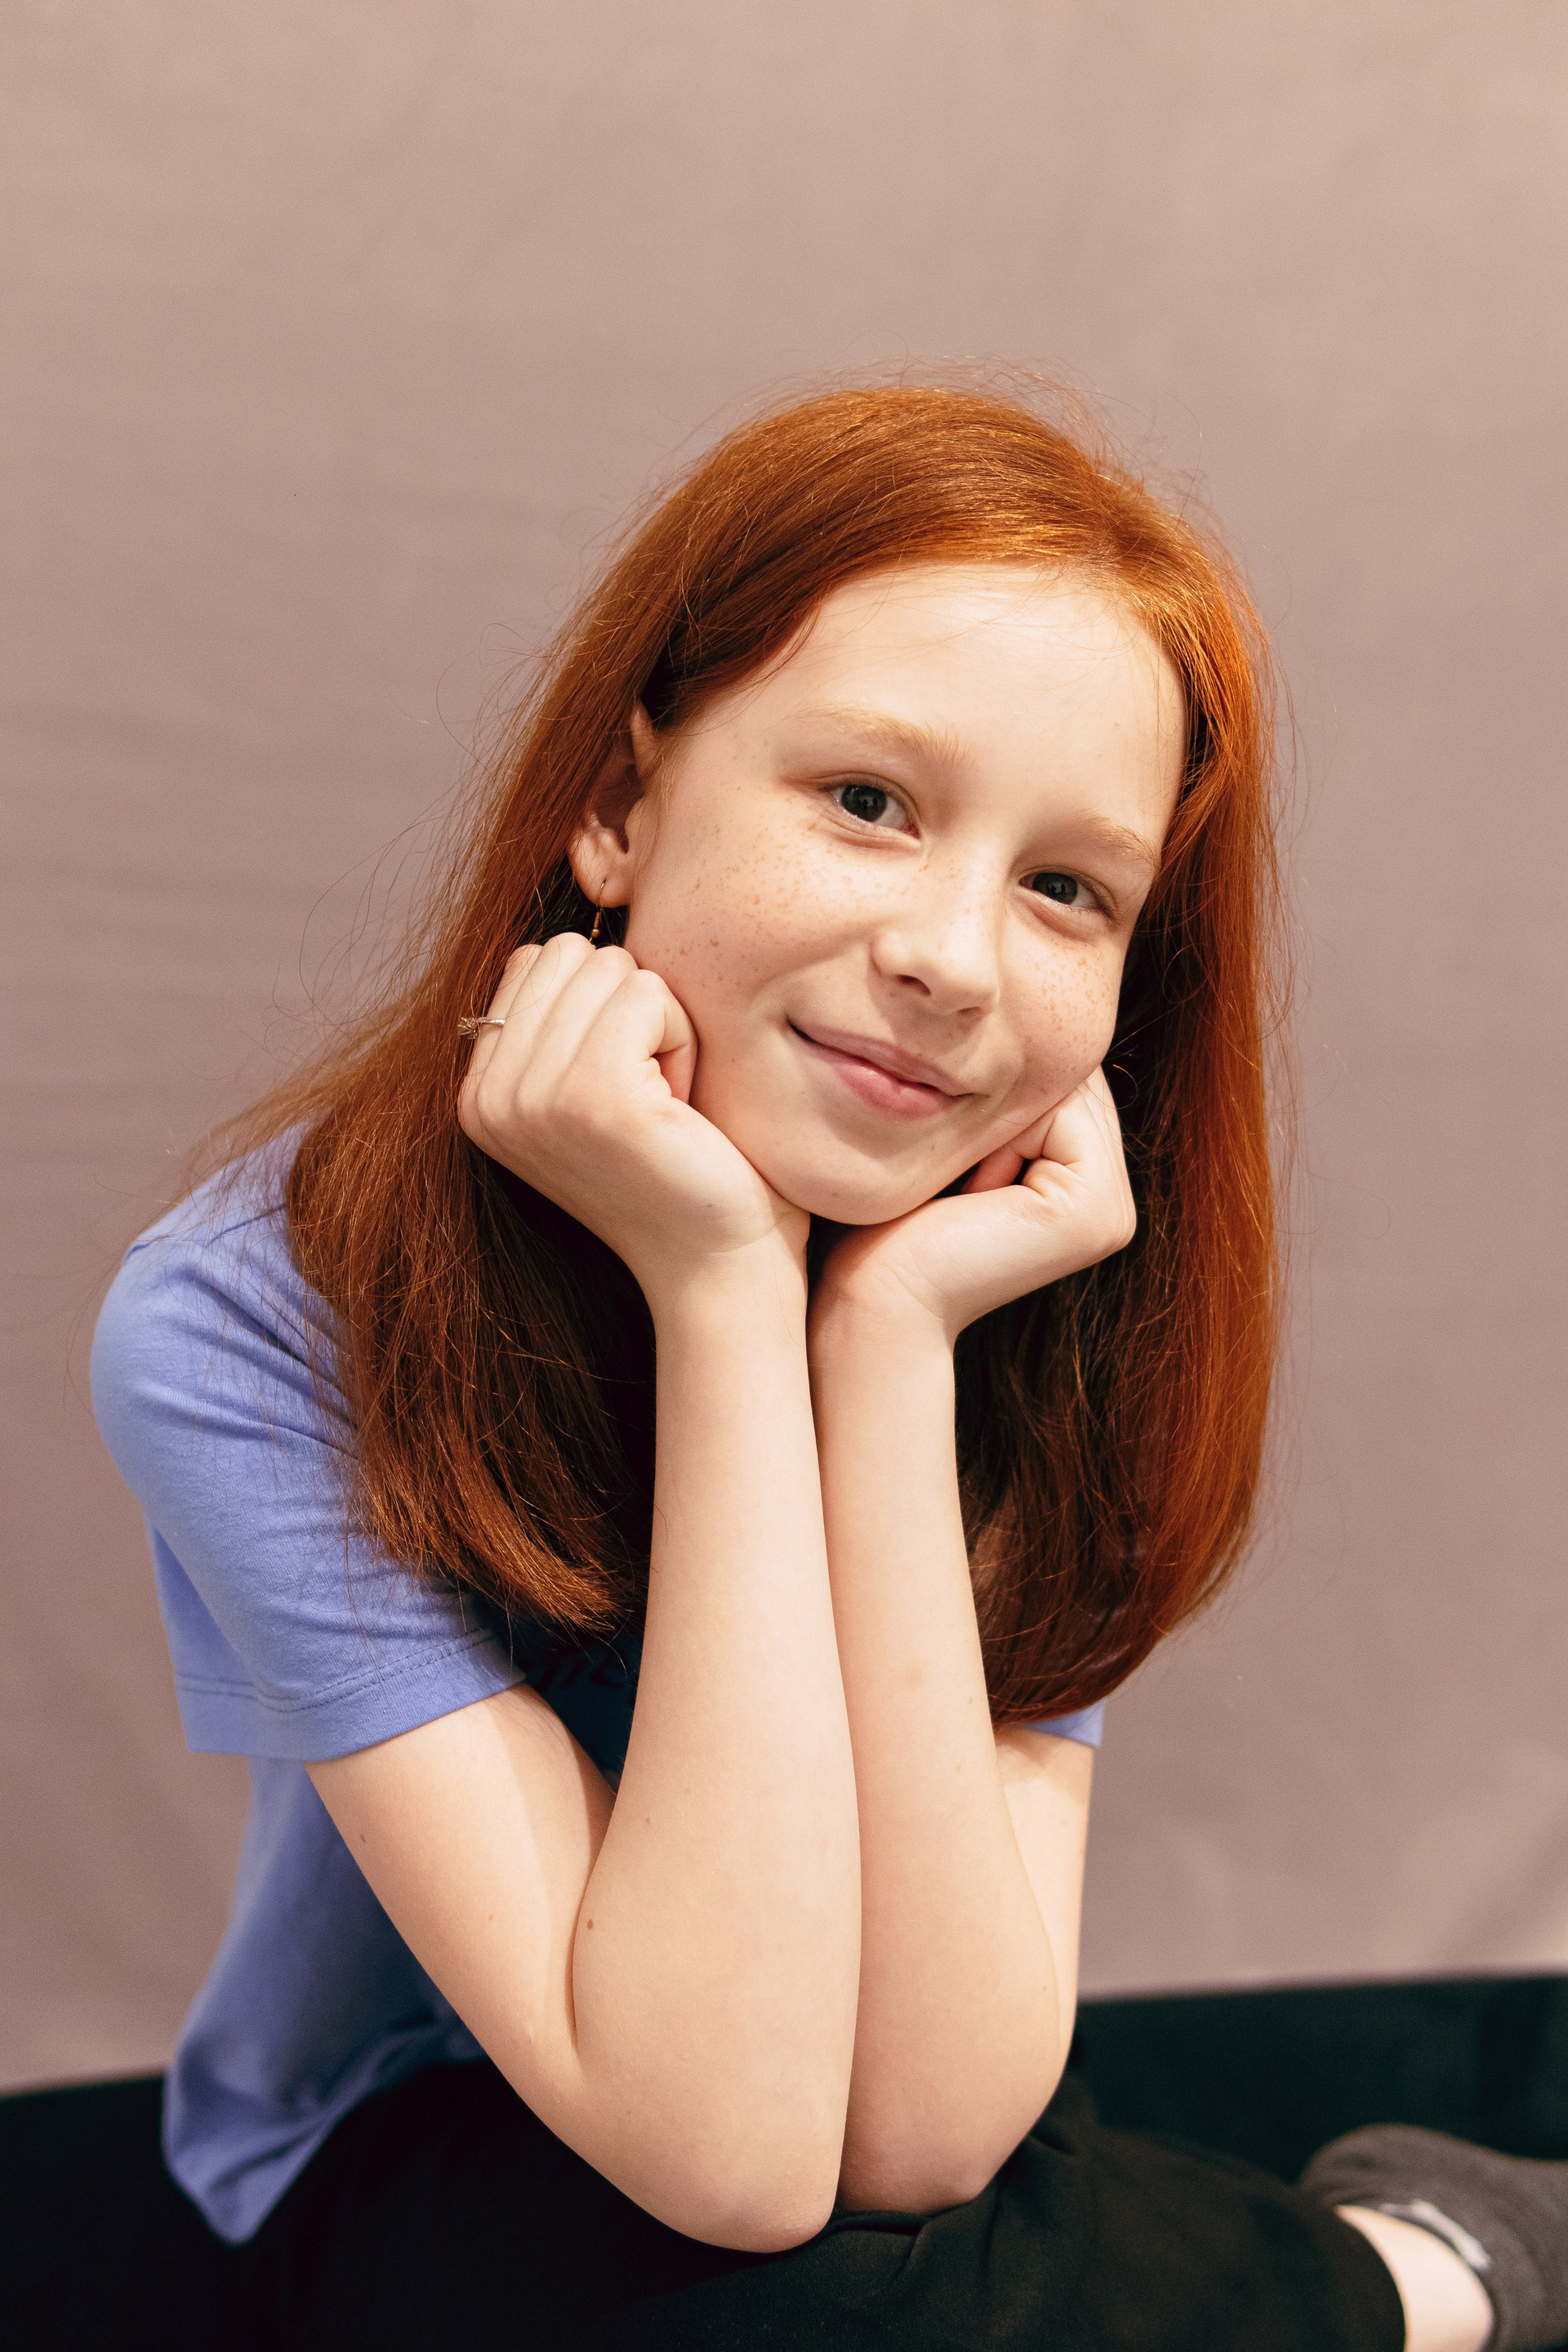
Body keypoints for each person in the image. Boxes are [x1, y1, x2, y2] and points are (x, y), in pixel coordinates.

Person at [12, 384, 1566, 2351]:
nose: (954, 960)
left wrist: (890, 1346)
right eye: (868, 802)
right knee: (801, 2301)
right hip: (424, 2119)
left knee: (891, 2267)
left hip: (854, 2069)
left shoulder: (1030, 1287)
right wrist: (725, 1289)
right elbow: (734, 2153)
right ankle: (1415, 2281)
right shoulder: (255, 1312)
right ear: (617, 805)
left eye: (1067, 889)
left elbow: (927, 2127)